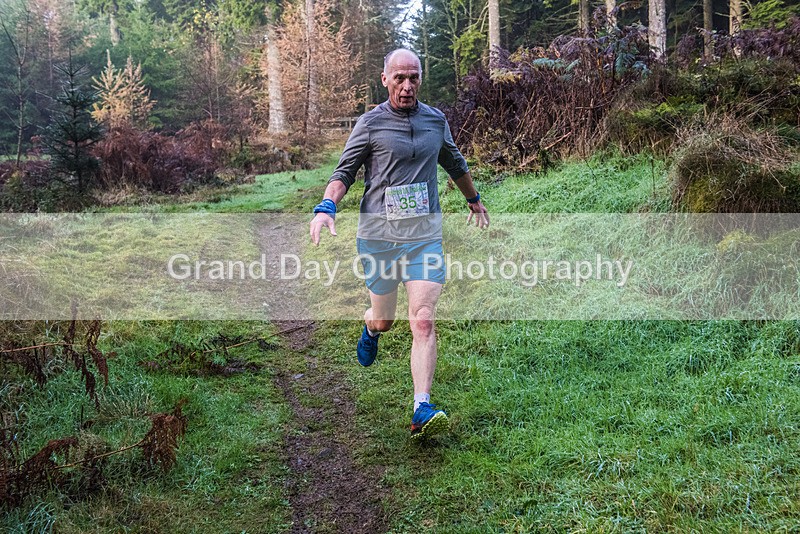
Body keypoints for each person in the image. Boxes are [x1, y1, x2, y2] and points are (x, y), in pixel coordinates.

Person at [309, 48, 489, 440]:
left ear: (421, 79)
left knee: (422, 319)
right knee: (386, 319)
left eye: (414, 78)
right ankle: (371, 329)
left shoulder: (434, 120)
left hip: (424, 237)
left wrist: (473, 200)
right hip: (379, 240)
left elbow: (454, 162)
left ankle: (421, 407)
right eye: (399, 78)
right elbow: (345, 172)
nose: (407, 87)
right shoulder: (370, 124)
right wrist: (327, 206)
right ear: (385, 79)